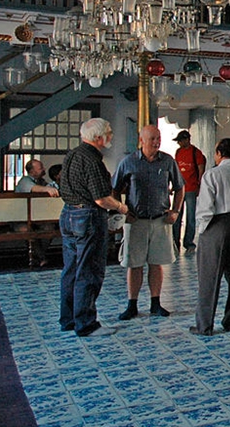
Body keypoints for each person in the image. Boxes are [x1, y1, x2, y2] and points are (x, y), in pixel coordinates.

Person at [58, 118, 130, 337]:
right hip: (88, 216)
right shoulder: (92, 161)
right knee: (89, 270)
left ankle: (69, 319)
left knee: (71, 269)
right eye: (109, 133)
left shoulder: (73, 155)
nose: (111, 136)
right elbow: (101, 199)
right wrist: (121, 207)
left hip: (69, 213)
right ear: (98, 138)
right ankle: (86, 323)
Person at [113, 125, 185, 321]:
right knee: (134, 264)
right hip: (136, 221)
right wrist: (122, 211)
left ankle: (156, 303)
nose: (156, 142)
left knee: (157, 263)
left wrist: (176, 211)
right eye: (152, 138)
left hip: (160, 220)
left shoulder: (168, 161)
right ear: (141, 141)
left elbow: (180, 187)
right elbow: (114, 188)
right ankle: (132, 304)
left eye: (158, 138)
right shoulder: (128, 162)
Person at [191, 138, 230, 336]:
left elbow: (205, 208)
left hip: (215, 226)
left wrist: (200, 232)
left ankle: (204, 325)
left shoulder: (212, 175)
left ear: (218, 153)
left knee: (209, 276)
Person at [15, 159, 59, 267]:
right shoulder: (25, 181)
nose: (44, 169)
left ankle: (38, 256)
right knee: (26, 230)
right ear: (32, 171)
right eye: (40, 168)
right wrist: (48, 189)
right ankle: (40, 258)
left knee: (49, 228)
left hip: (37, 218)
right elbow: (34, 189)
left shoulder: (41, 181)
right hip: (20, 218)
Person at [172, 130, 206, 253]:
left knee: (190, 217)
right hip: (179, 189)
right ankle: (174, 242)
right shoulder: (178, 152)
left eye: (181, 141)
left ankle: (189, 243)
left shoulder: (195, 153)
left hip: (191, 188)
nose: (179, 143)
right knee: (176, 215)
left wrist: (199, 184)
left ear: (187, 139)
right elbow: (176, 169)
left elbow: (200, 168)